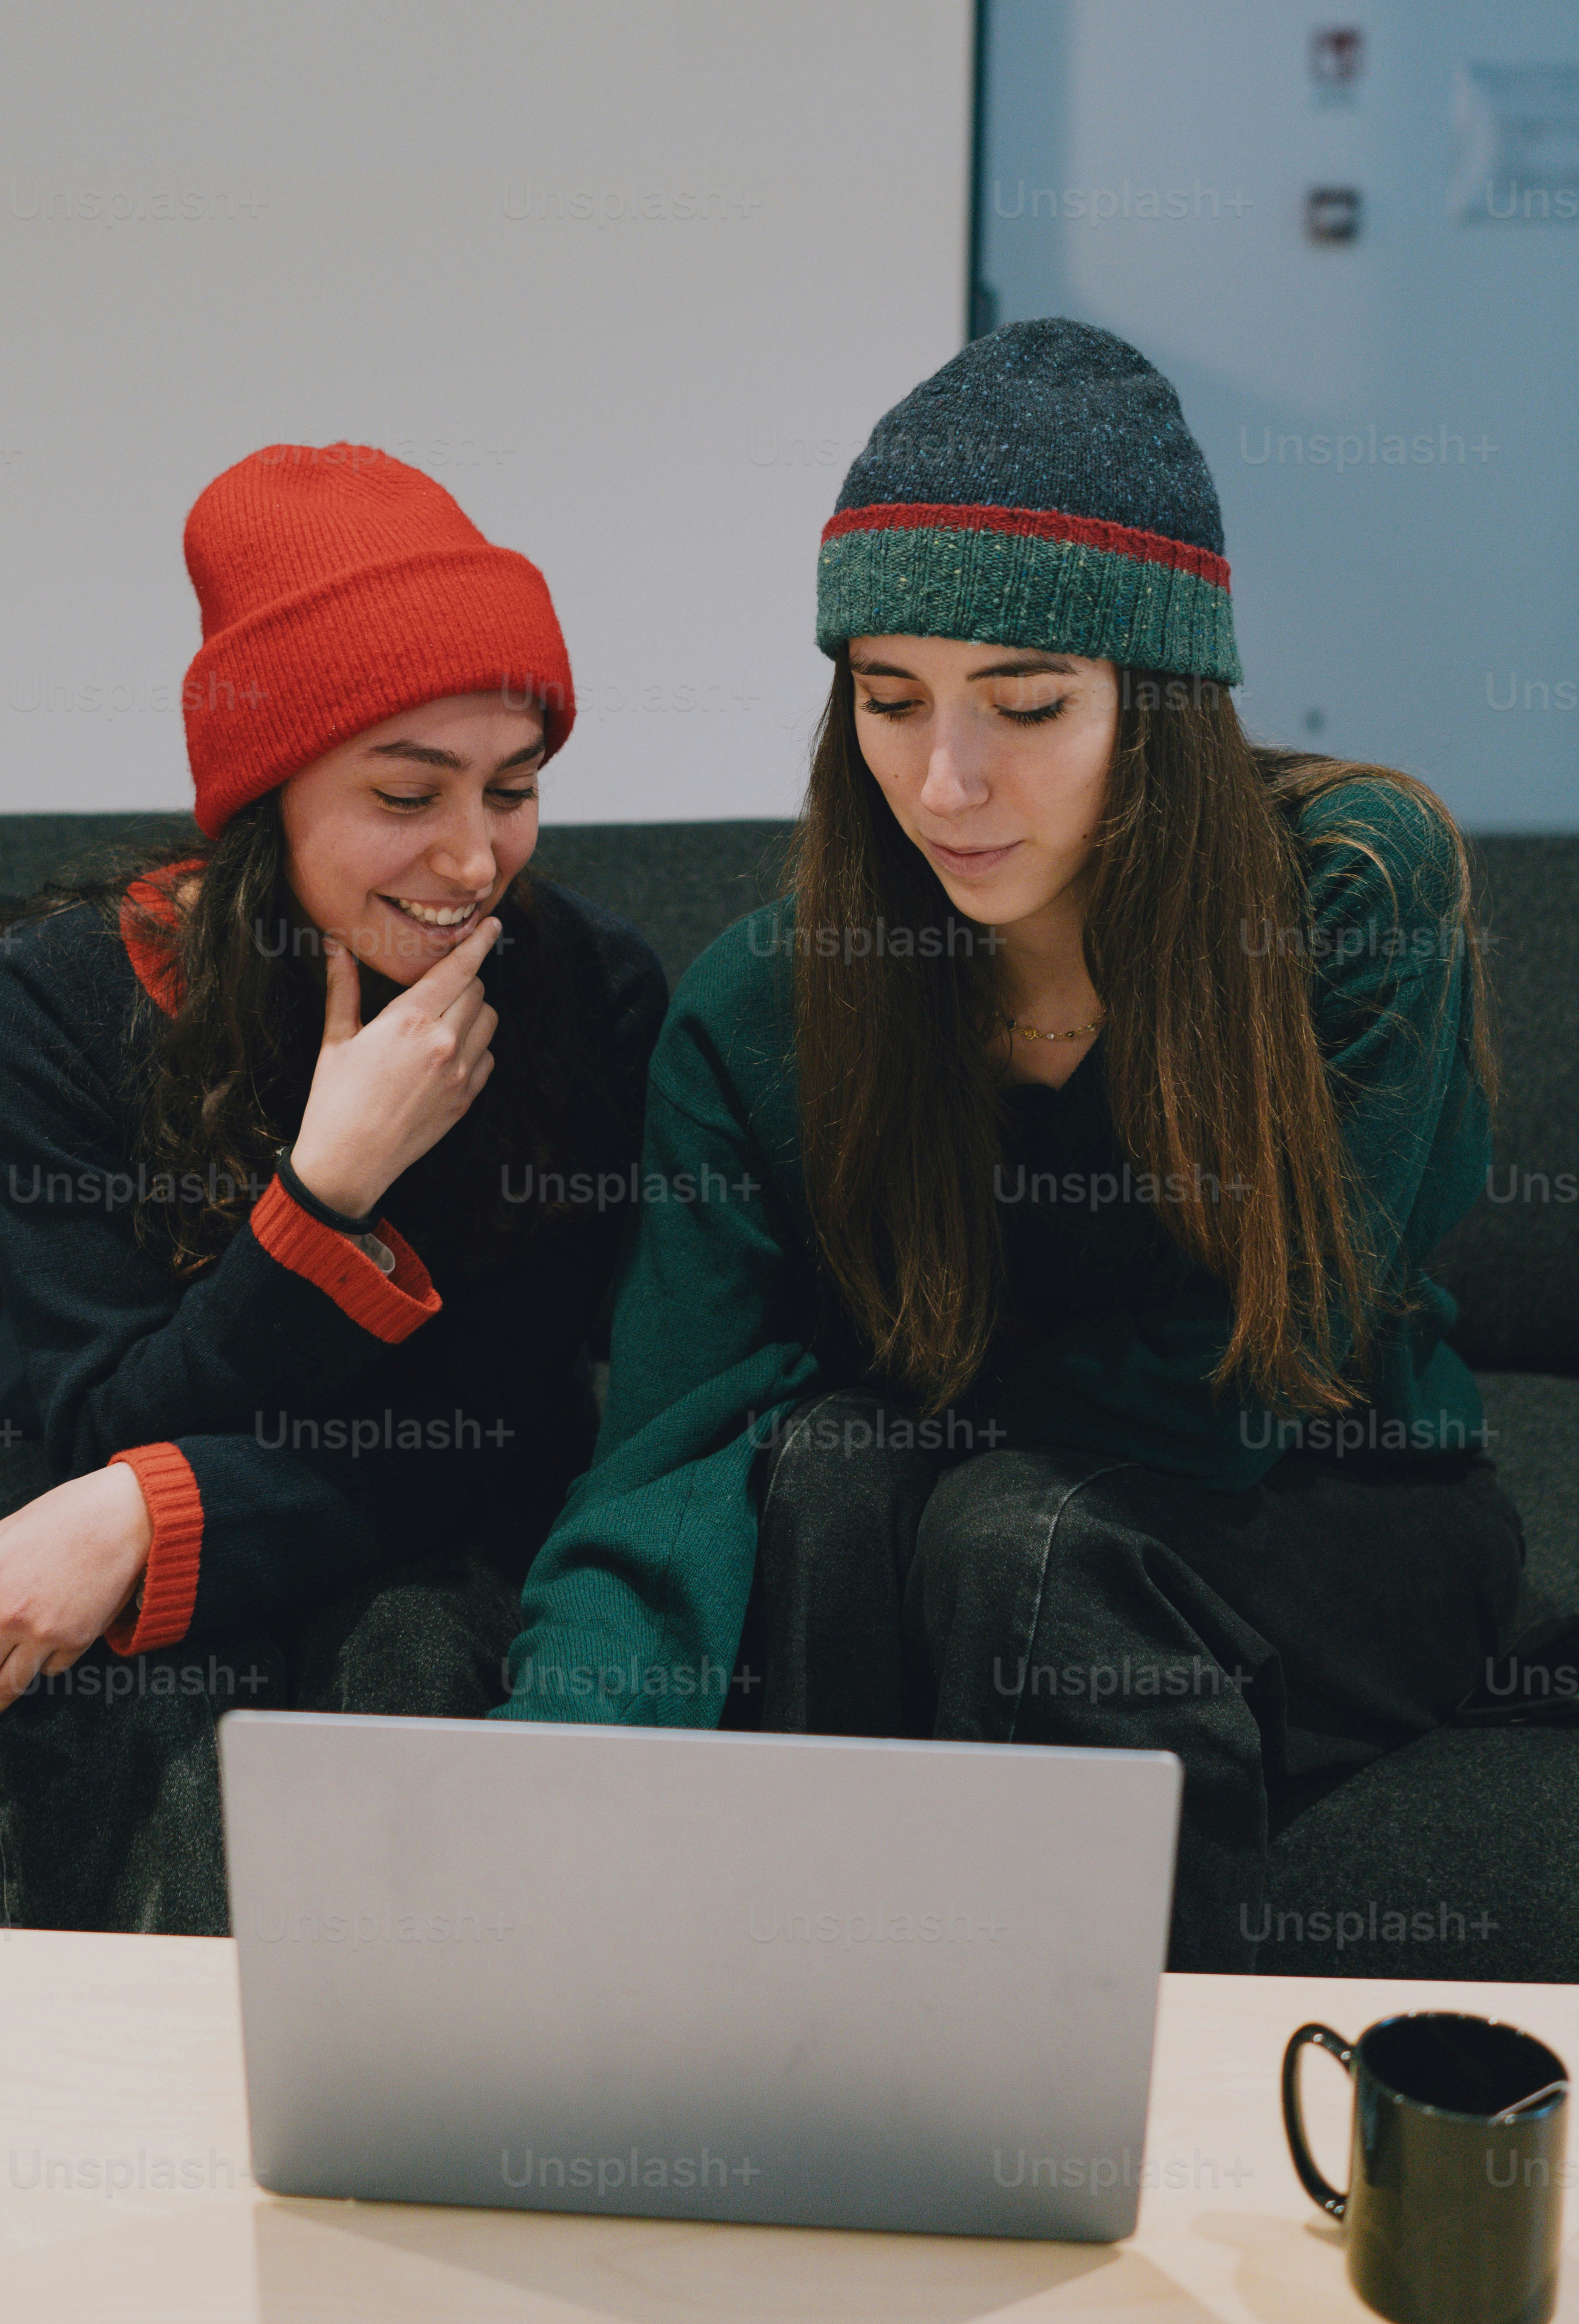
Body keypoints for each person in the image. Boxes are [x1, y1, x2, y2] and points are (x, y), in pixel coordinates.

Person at [496, 318, 1523, 1968]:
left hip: (1335, 1490)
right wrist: (554, 1770)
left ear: (1161, 697)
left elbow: (1267, 1367)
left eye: (1027, 704)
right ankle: (804, 2059)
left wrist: (889, 1412)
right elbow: (674, 1446)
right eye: (889, 701)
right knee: (828, 1481)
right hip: (974, 1501)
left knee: (1002, 1534)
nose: (948, 781)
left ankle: (1142, 2143)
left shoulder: (1350, 893)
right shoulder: (777, 1002)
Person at [0, 441, 664, 1933]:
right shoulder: (54, 1002)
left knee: (417, 1663)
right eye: (404, 792)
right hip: (82, 1444)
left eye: (513, 790)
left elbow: (506, 1427)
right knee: (114, 1712)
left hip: (403, 1477)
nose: (472, 857)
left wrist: (161, 1519)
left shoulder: (587, 988)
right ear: (267, 794)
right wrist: (327, 1185)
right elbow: (106, 1417)